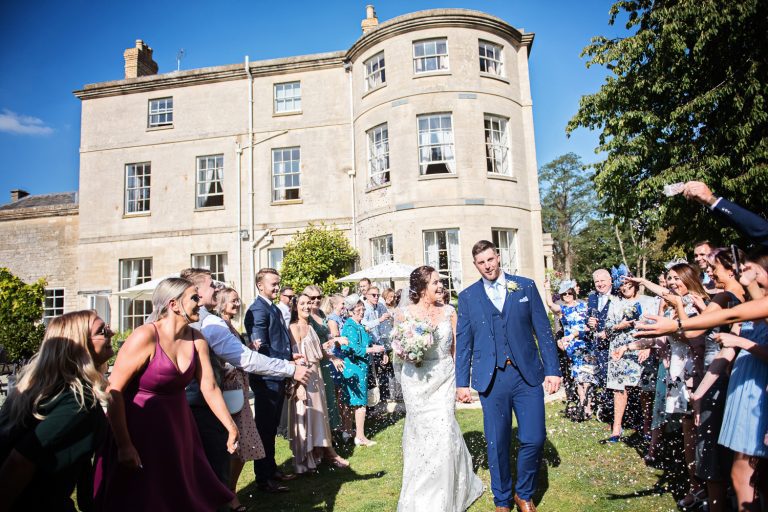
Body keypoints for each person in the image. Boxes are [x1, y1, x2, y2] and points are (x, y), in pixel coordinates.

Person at [94, 277, 237, 510]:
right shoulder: (145, 336)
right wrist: (124, 444)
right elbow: (114, 390)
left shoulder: (197, 338)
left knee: (179, 492)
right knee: (145, 495)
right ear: (173, 305)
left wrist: (230, 426)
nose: (200, 302)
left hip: (178, 427)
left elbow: (209, 387)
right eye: (194, 297)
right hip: (140, 427)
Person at [456, 240, 561, 512]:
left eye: (490, 259)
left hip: (526, 376)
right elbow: (464, 342)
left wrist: (553, 370)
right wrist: (461, 383)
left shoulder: (524, 286)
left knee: (534, 437)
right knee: (497, 442)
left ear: (498, 257)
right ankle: (502, 500)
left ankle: (524, 493)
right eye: (481, 262)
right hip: (492, 379)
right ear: (475, 265)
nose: (488, 266)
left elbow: (544, 331)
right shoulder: (467, 297)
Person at [182, 268, 308, 493]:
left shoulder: (204, 322)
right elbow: (247, 358)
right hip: (202, 402)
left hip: (205, 399)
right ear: (196, 291)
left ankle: (231, 493)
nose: (217, 288)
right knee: (221, 455)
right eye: (212, 285)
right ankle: (241, 489)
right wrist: (289, 368)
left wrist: (289, 360)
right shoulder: (212, 324)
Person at [0, 311, 111, 511]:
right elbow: (19, 461)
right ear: (81, 345)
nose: (111, 332)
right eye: (102, 331)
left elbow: (81, 456)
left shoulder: (41, 390)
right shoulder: (76, 402)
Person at [394, 266, 483, 511]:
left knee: (444, 432)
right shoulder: (403, 314)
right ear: (422, 287)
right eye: (435, 282)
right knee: (421, 436)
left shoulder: (449, 312)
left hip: (444, 377)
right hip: (416, 380)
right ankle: (419, 493)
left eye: (440, 281)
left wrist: (461, 382)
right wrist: (408, 354)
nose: (440, 286)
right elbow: (397, 349)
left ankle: (444, 496)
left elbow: (457, 349)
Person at [244, 268, 302, 493]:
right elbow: (262, 348)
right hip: (267, 377)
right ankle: (263, 478)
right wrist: (284, 367)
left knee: (272, 427)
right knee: (265, 429)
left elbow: (278, 341)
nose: (277, 288)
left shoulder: (272, 307)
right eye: (273, 284)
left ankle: (272, 469)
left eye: (279, 284)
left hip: (278, 373)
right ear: (260, 285)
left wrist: (290, 356)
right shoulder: (257, 310)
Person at [213, 287, 266, 512]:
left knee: (242, 444)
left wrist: (247, 349)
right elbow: (219, 359)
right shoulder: (217, 326)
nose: (236, 304)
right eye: (233, 301)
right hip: (229, 392)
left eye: (237, 301)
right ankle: (229, 493)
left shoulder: (231, 326)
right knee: (235, 444)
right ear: (221, 303)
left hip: (240, 389)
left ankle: (230, 490)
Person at [287, 293, 349, 472]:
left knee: (319, 417)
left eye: (309, 303)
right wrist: (298, 385)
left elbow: (316, 352)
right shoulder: (294, 327)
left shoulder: (309, 325)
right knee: (308, 416)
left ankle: (319, 453)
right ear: (295, 307)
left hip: (317, 375)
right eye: (303, 303)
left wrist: (333, 342)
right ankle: (325, 455)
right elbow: (296, 358)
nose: (307, 306)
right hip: (305, 378)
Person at [605, 278, 658, 442]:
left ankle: (647, 427)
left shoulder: (649, 302)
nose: (625, 287)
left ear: (635, 285)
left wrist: (648, 347)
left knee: (645, 390)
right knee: (619, 389)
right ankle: (616, 428)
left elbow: (656, 327)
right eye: (621, 285)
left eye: (628, 284)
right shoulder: (615, 303)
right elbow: (607, 328)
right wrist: (619, 326)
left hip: (641, 348)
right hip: (619, 350)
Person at [545, 279, 594, 420]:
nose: (567, 295)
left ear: (573, 293)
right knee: (578, 377)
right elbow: (550, 304)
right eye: (564, 294)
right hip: (571, 346)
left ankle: (588, 406)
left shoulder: (584, 306)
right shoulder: (563, 310)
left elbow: (589, 325)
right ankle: (584, 406)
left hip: (585, 343)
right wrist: (547, 289)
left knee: (588, 376)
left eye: (569, 293)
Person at [339, 299, 385, 446]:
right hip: (354, 368)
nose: (361, 313)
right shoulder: (350, 326)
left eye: (362, 310)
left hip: (359, 367)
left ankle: (348, 432)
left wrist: (375, 346)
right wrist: (372, 350)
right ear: (351, 311)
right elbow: (352, 349)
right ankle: (359, 436)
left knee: (353, 401)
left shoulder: (359, 325)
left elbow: (366, 343)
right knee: (360, 403)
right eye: (358, 310)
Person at [303, 285, 343, 432]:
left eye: (319, 297)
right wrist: (331, 355)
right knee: (318, 398)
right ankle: (319, 435)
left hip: (327, 360)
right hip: (315, 361)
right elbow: (310, 345)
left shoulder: (321, 313)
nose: (316, 300)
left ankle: (330, 432)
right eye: (312, 298)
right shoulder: (306, 318)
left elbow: (327, 337)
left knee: (329, 395)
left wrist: (334, 340)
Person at [586, 269, 617, 419]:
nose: (600, 284)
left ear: (610, 280)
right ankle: (608, 412)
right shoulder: (592, 298)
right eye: (597, 281)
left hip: (616, 344)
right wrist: (590, 322)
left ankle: (620, 414)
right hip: (599, 346)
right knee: (604, 378)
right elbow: (589, 318)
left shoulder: (618, 294)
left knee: (616, 379)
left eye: (602, 280)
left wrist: (609, 331)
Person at [362, 285, 393, 403]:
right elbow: (365, 326)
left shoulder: (379, 306)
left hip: (378, 343)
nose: (376, 297)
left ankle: (383, 400)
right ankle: (371, 404)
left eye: (377, 295)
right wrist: (380, 320)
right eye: (373, 295)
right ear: (366, 296)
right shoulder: (364, 308)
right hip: (368, 345)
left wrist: (384, 349)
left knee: (383, 370)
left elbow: (382, 330)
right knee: (370, 375)